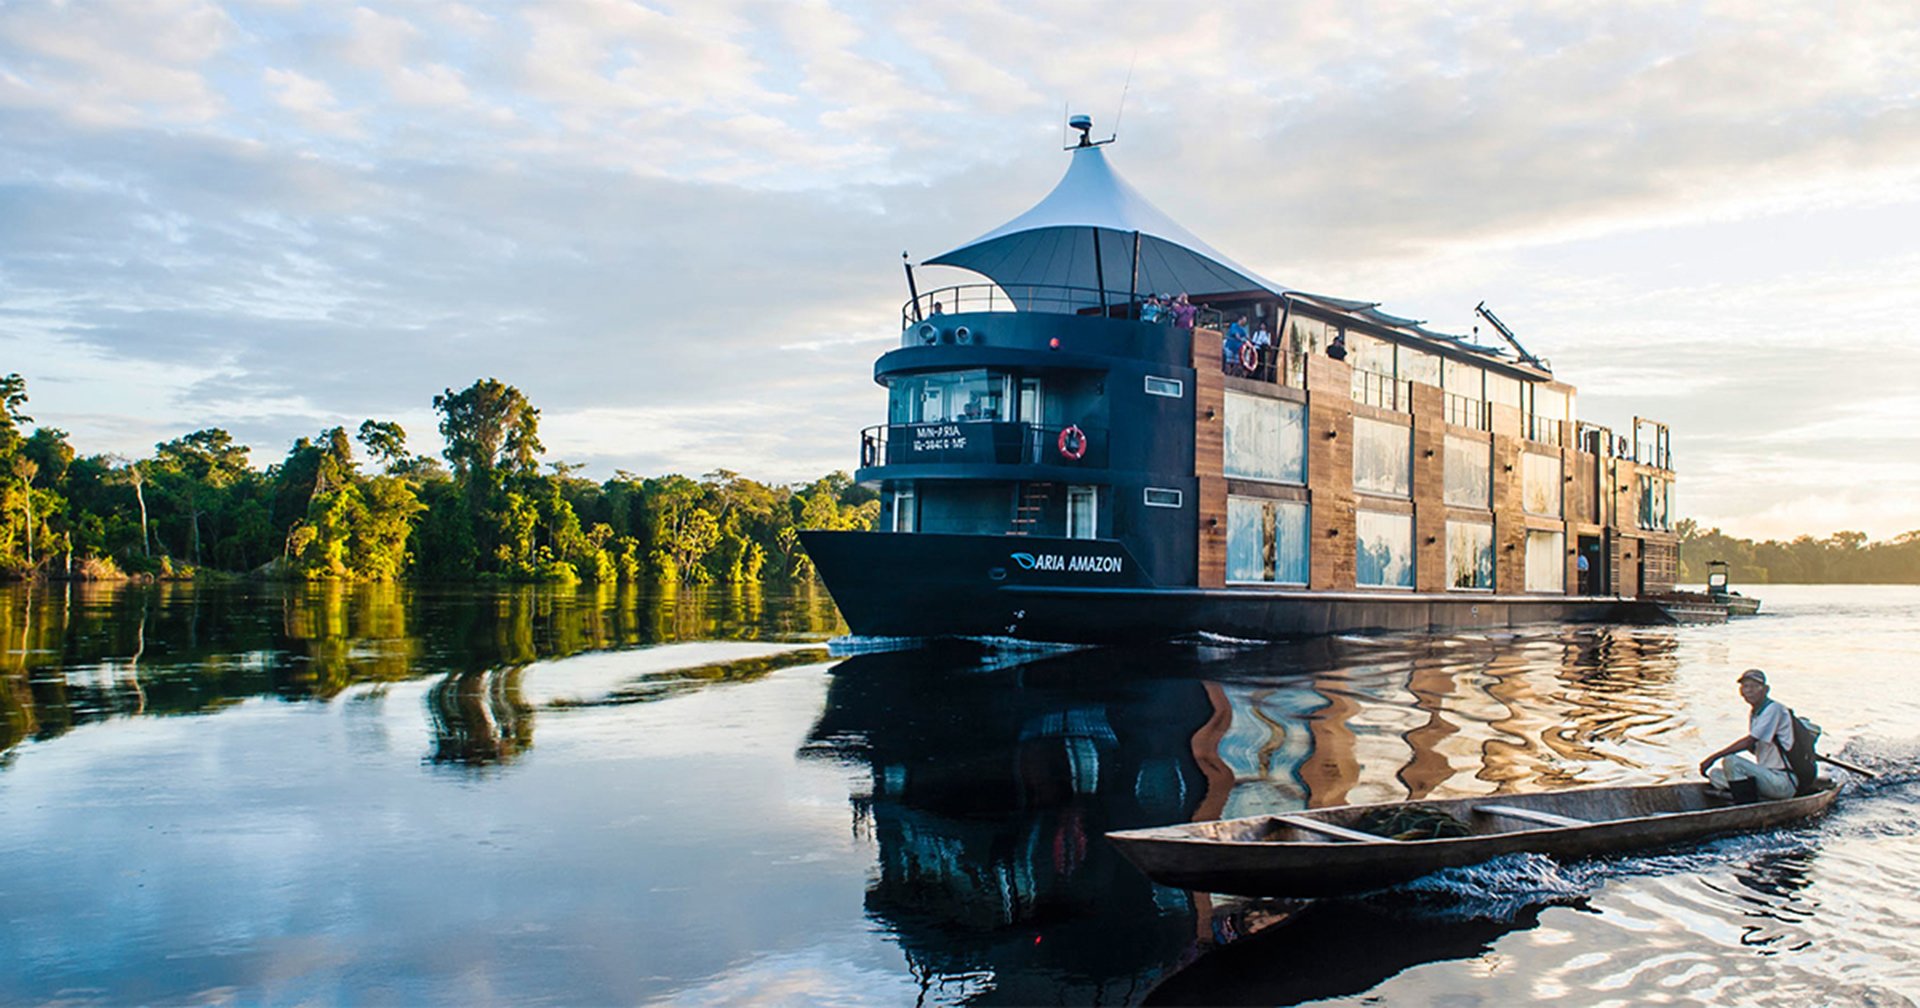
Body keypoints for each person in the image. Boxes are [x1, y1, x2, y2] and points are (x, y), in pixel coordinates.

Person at [1699, 668, 1796, 801]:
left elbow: (1749, 741)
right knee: (1715, 774)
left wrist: (1713, 757)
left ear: (1766, 689)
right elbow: (1753, 747)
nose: (1749, 690)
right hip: (1767, 777)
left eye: (1754, 686)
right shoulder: (1755, 713)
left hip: (1782, 781)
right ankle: (1751, 796)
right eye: (1745, 686)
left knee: (1731, 761)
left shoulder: (1774, 709)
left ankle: (1746, 803)